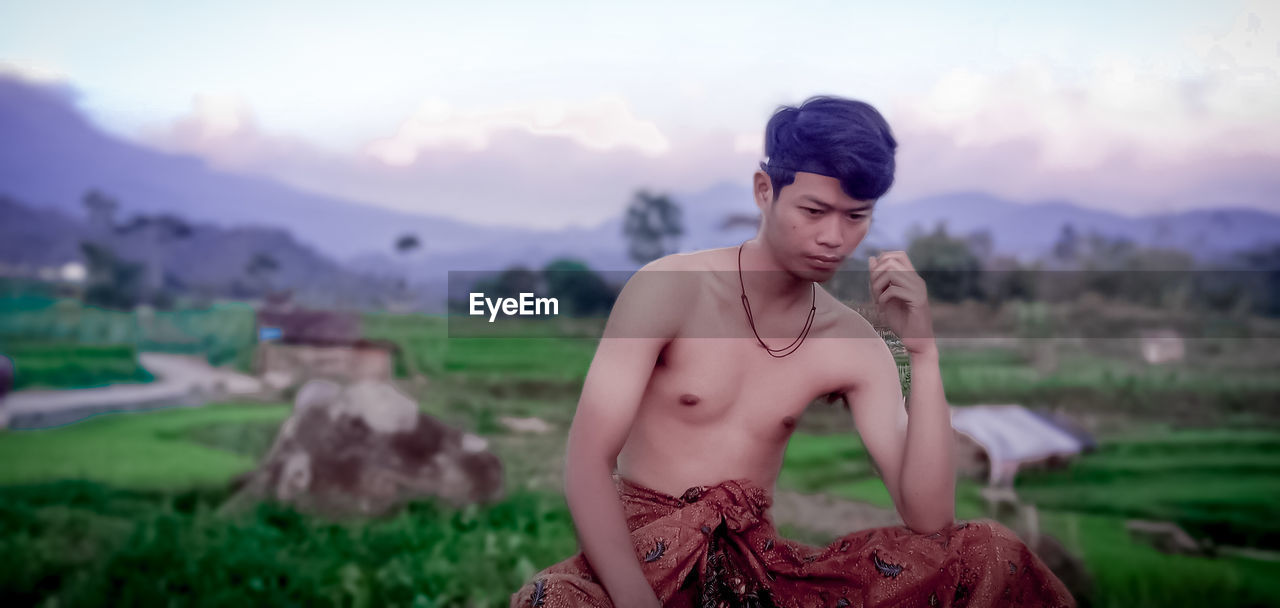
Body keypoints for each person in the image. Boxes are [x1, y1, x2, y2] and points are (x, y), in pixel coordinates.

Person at [510, 96, 1075, 607]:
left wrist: (922, 353)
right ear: (765, 191)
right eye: (813, 210)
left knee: (985, 551)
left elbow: (930, 518)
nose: (834, 236)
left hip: (758, 571)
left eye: (856, 217)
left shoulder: (851, 342)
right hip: (641, 555)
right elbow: (587, 462)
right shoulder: (667, 289)